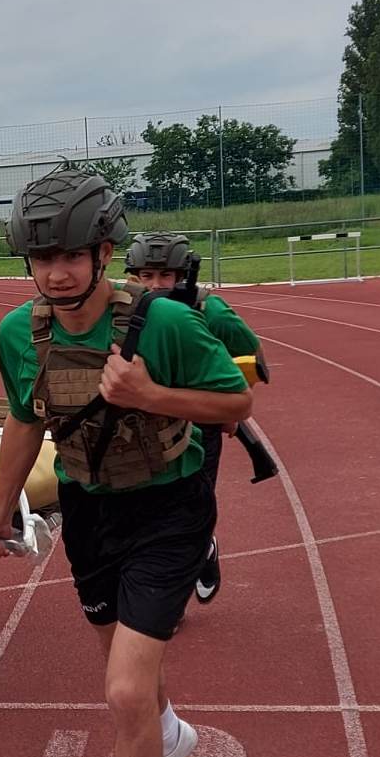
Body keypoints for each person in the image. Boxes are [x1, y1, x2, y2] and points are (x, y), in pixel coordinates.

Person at [0, 170, 249, 757]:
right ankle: (172, 734)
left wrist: (150, 396)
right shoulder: (17, 335)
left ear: (103, 252)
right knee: (128, 674)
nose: (57, 272)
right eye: (42, 258)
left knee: (123, 691)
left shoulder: (165, 323)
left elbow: (236, 404)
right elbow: (24, 420)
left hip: (169, 510)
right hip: (88, 513)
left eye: (71, 255)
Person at [123, 232, 263, 604]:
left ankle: (195, 560)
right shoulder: (122, 309)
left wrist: (226, 403)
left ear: (183, 276)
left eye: (165, 276)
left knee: (188, 511)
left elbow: (251, 354)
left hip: (198, 427)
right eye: (146, 275)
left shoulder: (208, 310)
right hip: (140, 427)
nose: (155, 284)